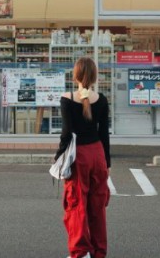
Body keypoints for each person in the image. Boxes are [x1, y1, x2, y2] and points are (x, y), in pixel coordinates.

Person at [54, 57, 110, 258]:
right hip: (97, 154)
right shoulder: (101, 99)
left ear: (75, 75)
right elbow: (104, 134)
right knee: (97, 205)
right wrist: (107, 163)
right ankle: (98, 252)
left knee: (76, 204)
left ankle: (80, 252)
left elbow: (66, 133)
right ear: (94, 76)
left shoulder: (67, 98)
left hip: (79, 155)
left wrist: (58, 158)